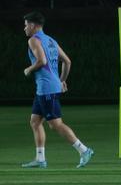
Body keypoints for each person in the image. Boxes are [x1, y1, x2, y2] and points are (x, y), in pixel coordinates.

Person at [20, 12, 93, 170]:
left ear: (33, 25)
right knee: (35, 121)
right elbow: (67, 61)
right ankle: (40, 159)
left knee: (56, 124)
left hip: (46, 88)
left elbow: (42, 61)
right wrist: (61, 81)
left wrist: (29, 69)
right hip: (46, 88)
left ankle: (84, 150)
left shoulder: (33, 40)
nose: (24, 28)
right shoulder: (51, 40)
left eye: (26, 25)